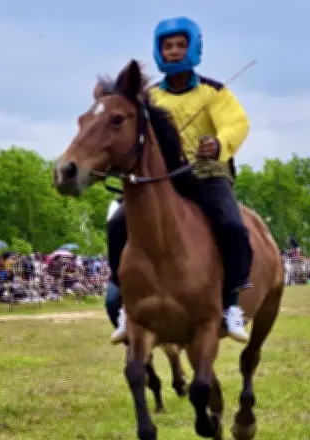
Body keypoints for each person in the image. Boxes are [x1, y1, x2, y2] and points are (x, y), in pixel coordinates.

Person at [106, 16, 254, 345]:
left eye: (180, 45)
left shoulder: (214, 92)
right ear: (159, 51)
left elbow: (237, 124)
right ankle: (122, 306)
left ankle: (231, 306)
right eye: (167, 46)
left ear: (193, 47)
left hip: (206, 176)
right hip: (160, 180)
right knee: (117, 224)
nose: (173, 52)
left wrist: (218, 144)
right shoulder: (150, 97)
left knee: (232, 225)